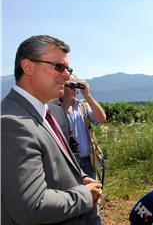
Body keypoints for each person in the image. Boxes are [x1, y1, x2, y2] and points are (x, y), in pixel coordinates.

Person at [1, 35, 102, 224]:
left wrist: (82, 177)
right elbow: (32, 206)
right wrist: (85, 196)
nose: (66, 75)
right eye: (58, 67)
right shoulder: (10, 123)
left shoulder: (52, 112)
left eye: (67, 69)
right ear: (28, 67)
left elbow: (56, 163)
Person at [56, 74, 106, 225]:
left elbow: (101, 117)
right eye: (69, 85)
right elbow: (58, 124)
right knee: (72, 200)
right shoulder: (54, 107)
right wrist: (66, 101)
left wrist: (87, 94)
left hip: (87, 161)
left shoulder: (83, 106)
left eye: (75, 85)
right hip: (67, 164)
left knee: (93, 200)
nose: (73, 89)